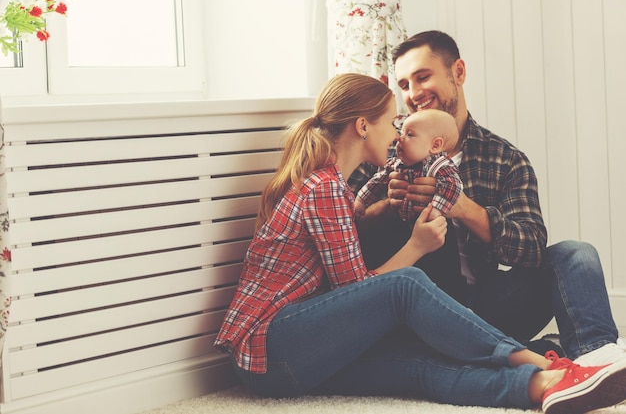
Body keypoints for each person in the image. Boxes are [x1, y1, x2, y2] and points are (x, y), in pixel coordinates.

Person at [214, 72, 626, 413]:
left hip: (296, 353)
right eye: (392, 121)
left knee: (419, 368)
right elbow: (358, 288)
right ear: (362, 126)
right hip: (270, 345)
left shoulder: (336, 183)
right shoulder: (325, 185)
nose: (396, 134)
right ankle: (534, 358)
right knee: (406, 282)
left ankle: (543, 384)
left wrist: (457, 211)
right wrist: (415, 243)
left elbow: (533, 246)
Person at [351, 30, 626, 366]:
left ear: (459, 73)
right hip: (417, 309)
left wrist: (462, 207)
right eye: (405, 84)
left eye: (423, 77)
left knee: (577, 255)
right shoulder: (385, 151)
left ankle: (597, 359)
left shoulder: (505, 158)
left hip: (487, 304)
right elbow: (346, 233)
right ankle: (499, 353)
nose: (414, 93)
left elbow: (531, 247)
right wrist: (390, 208)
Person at [355, 109, 462, 223]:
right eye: (401, 133)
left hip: (431, 225)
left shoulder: (440, 166)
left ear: (435, 145)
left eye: (409, 134)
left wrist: (436, 209)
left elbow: (453, 186)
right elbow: (377, 181)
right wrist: (361, 200)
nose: (400, 138)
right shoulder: (396, 163)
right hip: (401, 225)